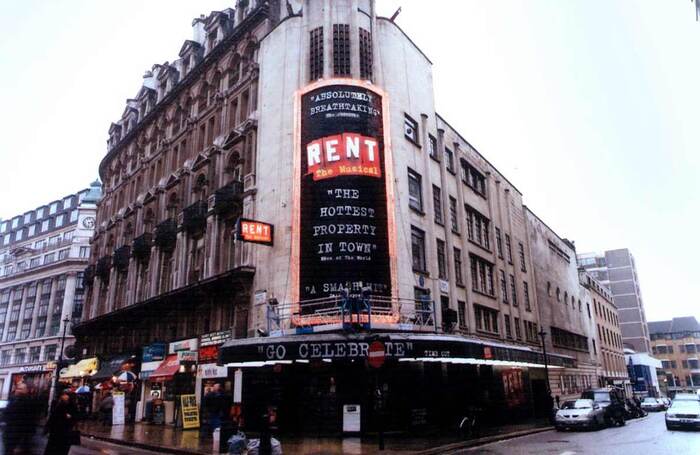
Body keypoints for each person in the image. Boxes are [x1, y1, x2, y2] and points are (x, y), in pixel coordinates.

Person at [3, 382, 40, 454]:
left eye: (21, 389)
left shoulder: (29, 402)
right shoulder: (13, 399)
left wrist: (21, 444)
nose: (18, 390)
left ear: (26, 390)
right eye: (17, 388)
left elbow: (30, 422)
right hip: (9, 432)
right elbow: (7, 413)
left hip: (18, 435)